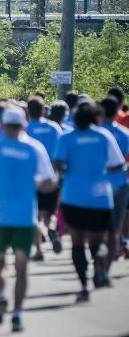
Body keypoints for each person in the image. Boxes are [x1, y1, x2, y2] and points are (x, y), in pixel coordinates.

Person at [0, 106, 58, 333]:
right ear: (24, 125)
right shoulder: (35, 148)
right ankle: (18, 314)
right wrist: (37, 185)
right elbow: (50, 182)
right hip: (25, 216)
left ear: (2, 126)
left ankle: (2, 295)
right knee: (21, 269)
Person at [53, 101, 124, 302]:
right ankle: (100, 263)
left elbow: (58, 163)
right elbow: (117, 165)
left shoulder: (67, 138)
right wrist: (100, 172)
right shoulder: (104, 136)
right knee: (97, 240)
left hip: (73, 196)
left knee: (77, 243)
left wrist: (71, 169)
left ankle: (84, 286)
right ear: (96, 117)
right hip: (100, 198)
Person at [26, 96, 63, 259]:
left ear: (28, 111)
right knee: (50, 213)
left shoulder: (25, 129)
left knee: (35, 216)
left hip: (30, 180)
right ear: (43, 111)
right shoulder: (55, 128)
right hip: (51, 179)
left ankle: (39, 251)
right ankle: (53, 228)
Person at [97, 96, 129, 283]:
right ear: (117, 111)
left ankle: (97, 261)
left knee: (97, 231)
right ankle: (105, 271)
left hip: (96, 188)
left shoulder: (95, 133)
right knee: (113, 230)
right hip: (119, 185)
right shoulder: (125, 134)